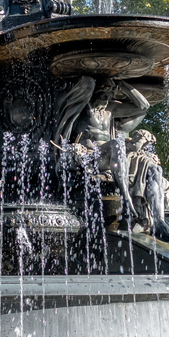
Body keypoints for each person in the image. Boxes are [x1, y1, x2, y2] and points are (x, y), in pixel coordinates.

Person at [55, 76, 150, 227]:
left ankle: (127, 199)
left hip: (109, 157)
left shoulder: (111, 109)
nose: (107, 98)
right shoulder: (84, 107)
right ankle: (126, 198)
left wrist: (122, 85)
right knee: (117, 145)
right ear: (94, 93)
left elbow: (144, 106)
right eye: (103, 94)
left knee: (129, 152)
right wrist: (89, 84)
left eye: (109, 95)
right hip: (88, 156)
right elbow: (77, 95)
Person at [126, 129, 169, 243]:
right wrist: (144, 137)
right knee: (153, 169)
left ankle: (159, 221)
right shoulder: (124, 144)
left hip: (136, 158)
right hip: (126, 159)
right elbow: (134, 147)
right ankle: (158, 222)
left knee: (157, 169)